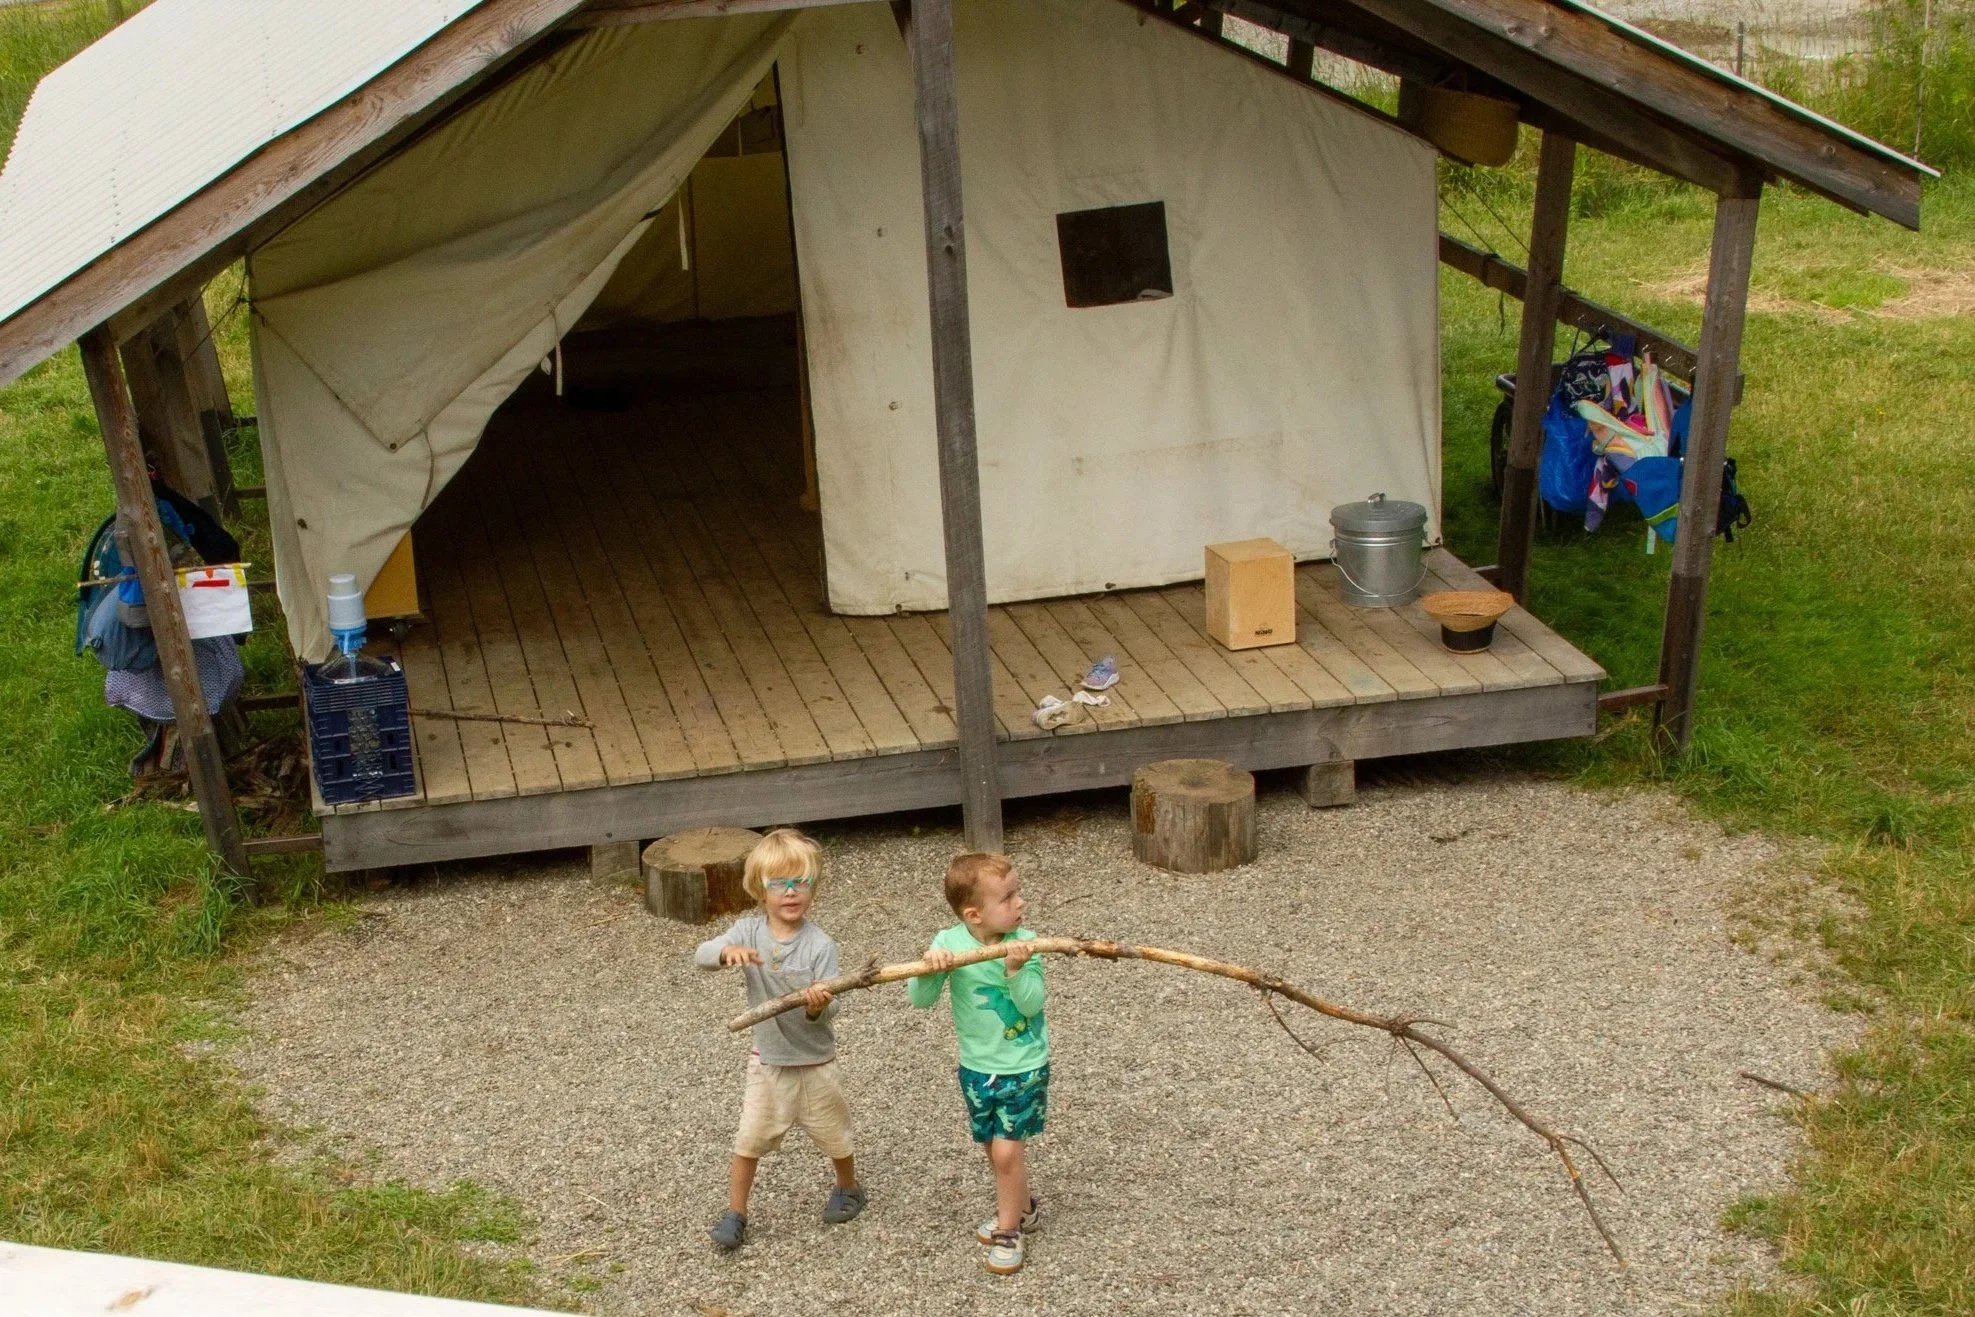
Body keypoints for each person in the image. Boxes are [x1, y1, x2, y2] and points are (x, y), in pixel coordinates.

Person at [696, 828, 865, 1250]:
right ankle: (736, 1212)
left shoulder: (820, 945)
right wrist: (724, 954)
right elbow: (701, 955)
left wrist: (815, 1006)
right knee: (748, 1141)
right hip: (768, 1063)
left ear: (812, 888)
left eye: (800, 882)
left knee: (835, 1136)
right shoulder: (748, 932)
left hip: (815, 1065)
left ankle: (848, 1187)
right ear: (760, 889)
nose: (791, 892)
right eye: (779, 883)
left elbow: (833, 1008)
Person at [909, 851, 1049, 1276]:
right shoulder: (949, 943)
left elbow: (1031, 1004)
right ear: (974, 915)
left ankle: (1009, 1231)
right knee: (993, 1147)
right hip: (975, 1066)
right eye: (1008, 898)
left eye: (1018, 893)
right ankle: (1023, 1207)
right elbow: (920, 1000)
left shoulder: (1027, 945)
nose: (1020, 903)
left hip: (1023, 1065)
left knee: (1007, 1153)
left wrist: (1014, 969)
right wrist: (931, 970)